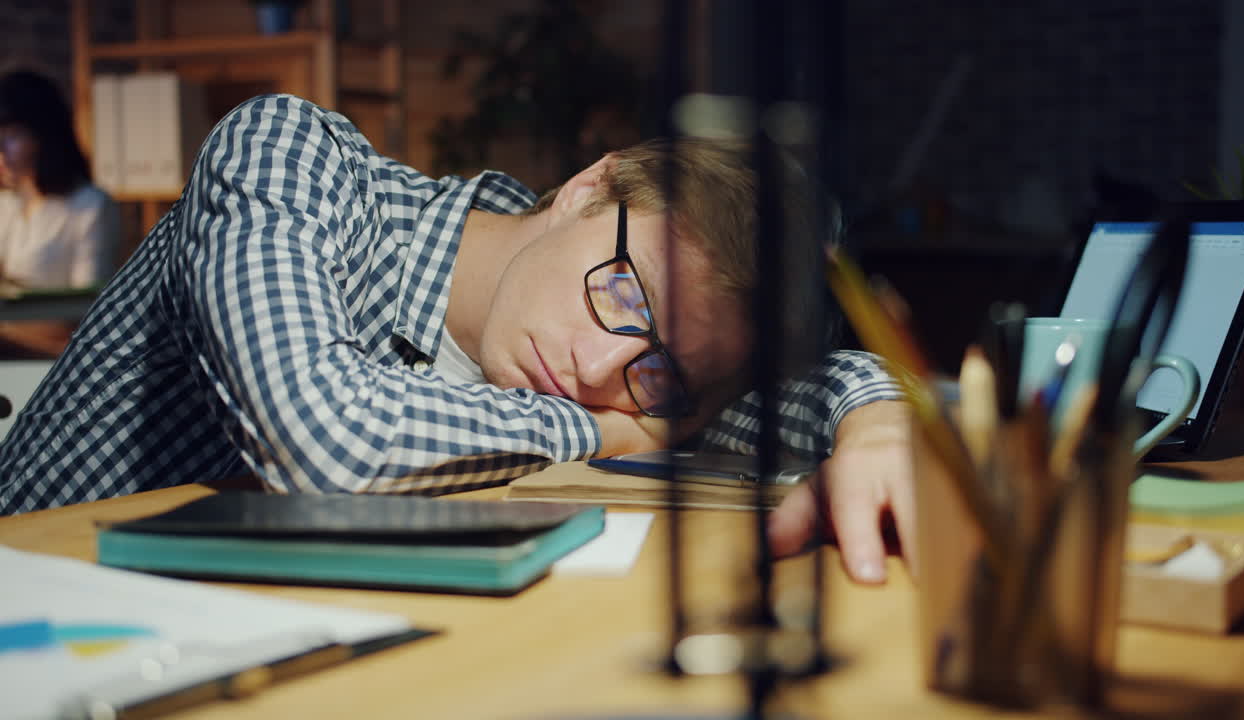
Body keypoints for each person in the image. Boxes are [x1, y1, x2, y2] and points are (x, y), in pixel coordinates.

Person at [0, 94, 914, 584]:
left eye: (658, 371)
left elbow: (759, 402)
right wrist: (602, 428)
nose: (601, 366)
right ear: (588, 190)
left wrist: (876, 420)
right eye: (623, 291)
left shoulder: (634, 377)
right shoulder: (290, 159)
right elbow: (330, 445)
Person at [0, 69, 122, 357]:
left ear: (44, 138)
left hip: (56, 358)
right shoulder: (7, 204)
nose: (2, 151)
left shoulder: (89, 205)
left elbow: (86, 314)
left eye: (13, 136)